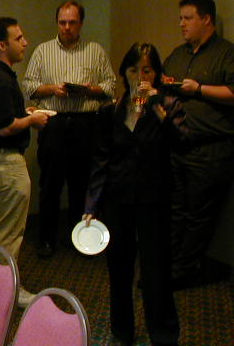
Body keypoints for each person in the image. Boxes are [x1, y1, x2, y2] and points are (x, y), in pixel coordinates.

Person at [84, 43, 186, 346]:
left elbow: (183, 143)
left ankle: (164, 333)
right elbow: (101, 160)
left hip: (154, 198)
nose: (140, 76)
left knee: (157, 269)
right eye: (133, 70)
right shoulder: (111, 110)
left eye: (147, 70)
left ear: (157, 74)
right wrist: (91, 204)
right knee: (119, 267)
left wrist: (158, 110)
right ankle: (122, 331)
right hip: (118, 198)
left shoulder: (168, 106)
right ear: (124, 73)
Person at [22, 1, 115, 258]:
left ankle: (79, 238)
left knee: (81, 184)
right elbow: (29, 86)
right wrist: (53, 89)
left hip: (87, 123)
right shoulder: (43, 51)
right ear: (57, 22)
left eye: (72, 22)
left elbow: (111, 85)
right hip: (54, 122)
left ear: (81, 24)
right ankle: (47, 239)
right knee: (50, 184)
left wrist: (90, 90)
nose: (66, 27)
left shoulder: (95, 51)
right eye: (62, 22)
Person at [163, 0, 234, 289]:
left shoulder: (226, 53)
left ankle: (184, 271)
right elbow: (162, 84)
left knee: (198, 213)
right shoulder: (178, 54)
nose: (181, 24)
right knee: (175, 209)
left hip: (210, 149)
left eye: (188, 18)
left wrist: (200, 89)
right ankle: (170, 265)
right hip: (177, 145)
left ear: (206, 19)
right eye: (180, 18)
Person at [0, 17, 48, 306]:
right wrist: (33, 120)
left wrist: (23, 113)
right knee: (9, 233)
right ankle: (7, 291)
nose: (25, 43)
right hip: (7, 165)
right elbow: (6, 127)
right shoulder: (1, 80)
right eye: (18, 38)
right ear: (2, 45)